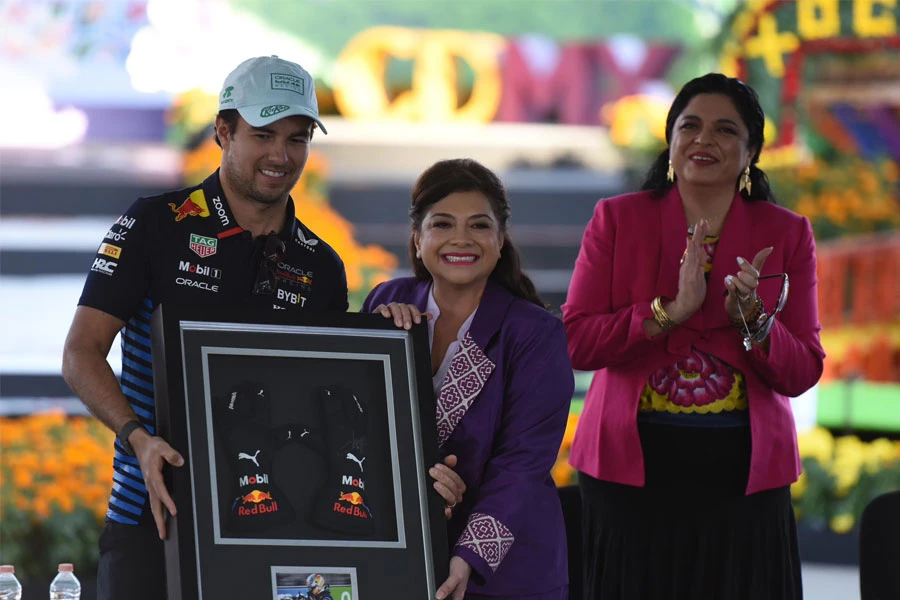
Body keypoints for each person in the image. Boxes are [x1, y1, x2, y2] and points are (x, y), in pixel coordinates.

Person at [61, 55, 463, 600]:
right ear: (223, 132)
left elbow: (325, 394)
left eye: (297, 138)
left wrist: (387, 333)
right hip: (152, 515)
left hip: (281, 525)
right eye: (264, 134)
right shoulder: (155, 224)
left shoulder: (319, 262)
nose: (281, 155)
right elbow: (81, 353)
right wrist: (139, 439)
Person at [563, 72, 825, 599]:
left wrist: (752, 319)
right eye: (691, 126)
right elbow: (577, 343)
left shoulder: (787, 232)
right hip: (627, 478)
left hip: (744, 484)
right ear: (670, 142)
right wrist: (666, 312)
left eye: (726, 130)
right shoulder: (616, 220)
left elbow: (804, 371)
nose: (705, 140)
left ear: (750, 153)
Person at [363, 158, 573, 600]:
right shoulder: (388, 300)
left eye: (479, 226)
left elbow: (523, 464)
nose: (461, 239)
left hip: (503, 571)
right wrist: (376, 341)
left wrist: (470, 558)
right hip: (397, 547)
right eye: (442, 224)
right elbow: (356, 418)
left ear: (500, 242)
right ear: (418, 240)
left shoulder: (535, 333)